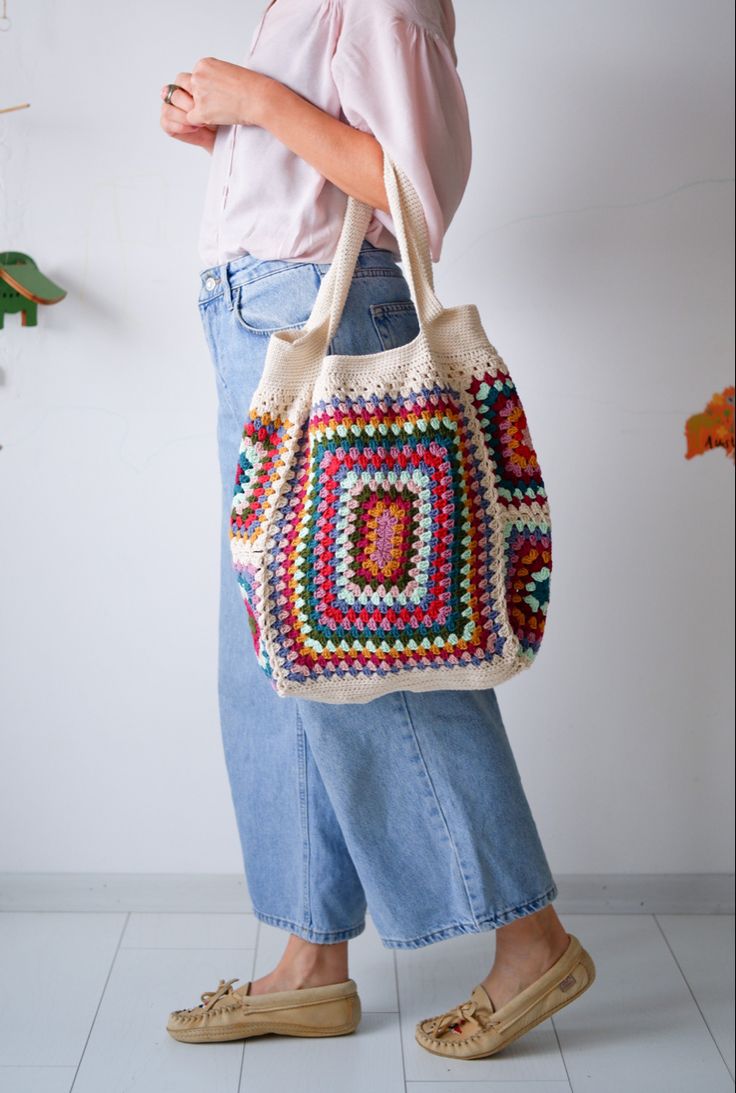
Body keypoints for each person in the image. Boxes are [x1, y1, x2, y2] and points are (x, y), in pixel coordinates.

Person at [159, 0, 595, 1061]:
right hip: (260, 313)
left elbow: (410, 194)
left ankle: (530, 941)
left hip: (330, 309)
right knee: (273, 657)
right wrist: (232, 128)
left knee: (377, 648)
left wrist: (256, 99)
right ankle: (311, 961)